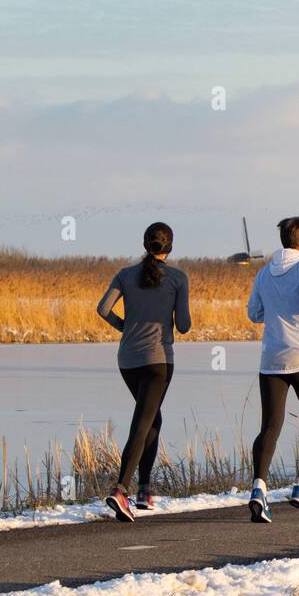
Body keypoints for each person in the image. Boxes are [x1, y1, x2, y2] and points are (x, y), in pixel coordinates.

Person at [96, 222, 190, 521]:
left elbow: (102, 309)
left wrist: (125, 326)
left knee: (152, 419)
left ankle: (144, 490)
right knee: (143, 422)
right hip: (158, 362)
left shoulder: (124, 274)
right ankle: (121, 490)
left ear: (144, 244)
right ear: (170, 246)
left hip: (128, 360)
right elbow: (184, 325)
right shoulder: (177, 278)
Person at [245, 216, 299, 522]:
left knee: (270, 426)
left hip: (271, 359)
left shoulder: (264, 272)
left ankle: (258, 489)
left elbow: (254, 312)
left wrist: (277, 309)